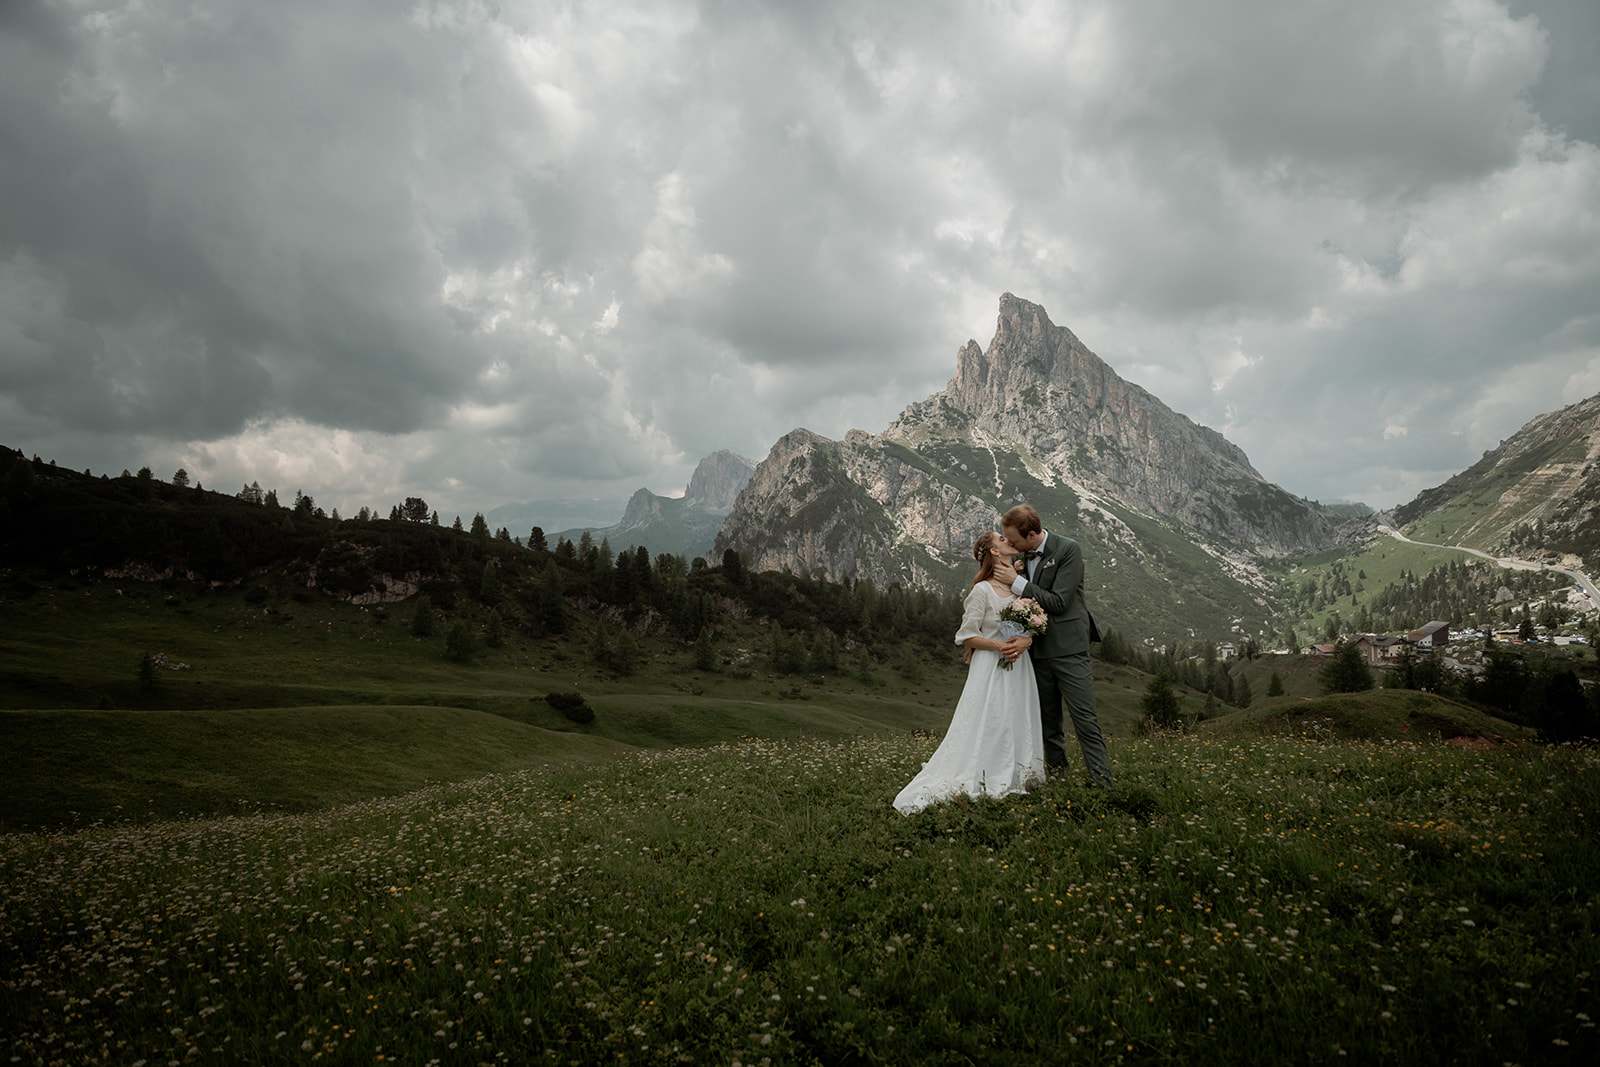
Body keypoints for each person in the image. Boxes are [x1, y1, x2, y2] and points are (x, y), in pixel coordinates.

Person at [893, 532, 1046, 814]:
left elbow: (1032, 625)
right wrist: (1000, 646)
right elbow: (966, 636)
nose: (1008, 538)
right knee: (992, 719)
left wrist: (1027, 640)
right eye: (1002, 538)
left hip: (1019, 665)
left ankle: (1021, 774)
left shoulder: (1019, 589)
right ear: (994, 552)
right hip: (991, 666)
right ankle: (987, 772)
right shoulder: (982, 591)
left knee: (1017, 716)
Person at [996, 504, 1114, 788]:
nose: (1010, 545)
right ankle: (1059, 780)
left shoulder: (1068, 549)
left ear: (1033, 534)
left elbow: (1059, 603)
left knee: (1084, 719)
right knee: (1048, 723)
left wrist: (1018, 583)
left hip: (1069, 649)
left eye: (1014, 540)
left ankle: (1104, 784)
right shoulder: (1021, 557)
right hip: (1036, 652)